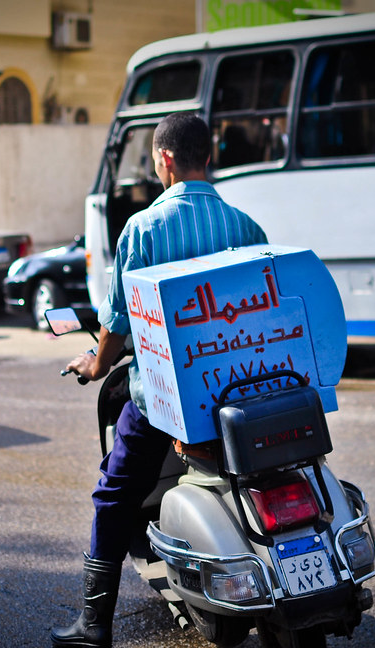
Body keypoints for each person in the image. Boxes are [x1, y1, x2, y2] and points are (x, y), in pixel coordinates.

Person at [52, 113, 267, 648]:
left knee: (115, 492)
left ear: (164, 159)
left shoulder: (143, 230)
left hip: (170, 401)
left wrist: (95, 364)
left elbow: (118, 322)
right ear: (209, 157)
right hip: (244, 394)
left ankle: (95, 625)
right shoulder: (246, 227)